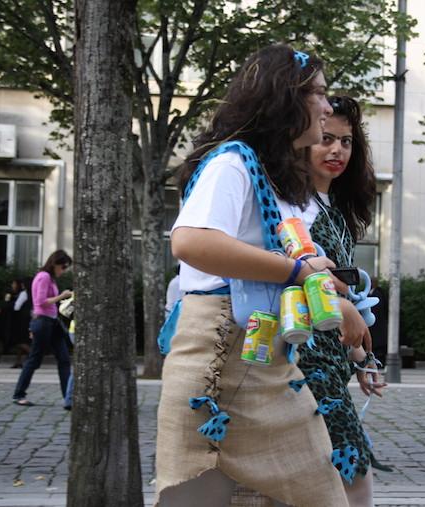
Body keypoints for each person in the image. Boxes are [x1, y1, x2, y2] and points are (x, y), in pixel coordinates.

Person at [156, 44, 363, 507]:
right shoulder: (233, 162)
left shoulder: (279, 178)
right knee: (198, 495)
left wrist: (332, 292)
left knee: (313, 487)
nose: (328, 107)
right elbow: (191, 242)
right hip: (218, 354)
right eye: (320, 93)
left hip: (263, 357)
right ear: (286, 98)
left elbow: (278, 263)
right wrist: (296, 270)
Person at [298, 95, 386, 506]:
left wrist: (361, 356)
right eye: (326, 138)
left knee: (336, 473)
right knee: (351, 468)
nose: (337, 150)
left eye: (347, 142)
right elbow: (294, 273)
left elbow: (345, 290)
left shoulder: (335, 208)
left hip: (333, 365)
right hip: (303, 364)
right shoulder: (294, 207)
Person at [12, 250, 73, 407]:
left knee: (64, 359)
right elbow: (40, 302)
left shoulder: (50, 278)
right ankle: (19, 394)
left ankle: (69, 398)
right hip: (44, 322)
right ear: (55, 264)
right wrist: (62, 296)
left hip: (52, 322)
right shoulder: (44, 277)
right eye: (63, 267)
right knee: (34, 359)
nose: (64, 270)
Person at [0, 278, 32, 367]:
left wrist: (5, 309)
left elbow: (16, 307)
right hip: (21, 319)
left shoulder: (22, 294)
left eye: (14, 283)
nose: (13, 285)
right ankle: (17, 361)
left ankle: (33, 355)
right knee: (18, 340)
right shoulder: (27, 293)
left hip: (18, 320)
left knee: (18, 341)